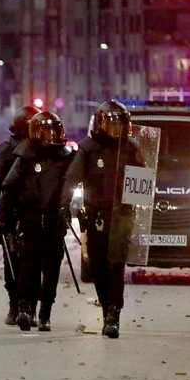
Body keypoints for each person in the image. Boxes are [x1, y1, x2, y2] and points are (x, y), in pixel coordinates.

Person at [60, 100, 144, 339]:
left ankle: (113, 314)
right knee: (98, 265)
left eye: (121, 126)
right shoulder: (88, 148)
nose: (117, 131)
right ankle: (105, 305)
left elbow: (142, 181)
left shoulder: (131, 147)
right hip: (96, 215)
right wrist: (64, 204)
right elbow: (71, 178)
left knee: (115, 265)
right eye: (112, 125)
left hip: (122, 215)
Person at [0, 111, 75, 332]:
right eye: (45, 131)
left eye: (53, 130)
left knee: (51, 270)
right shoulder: (25, 156)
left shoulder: (65, 157)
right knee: (28, 267)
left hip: (54, 222)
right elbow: (9, 187)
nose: (50, 136)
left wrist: (67, 209)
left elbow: (74, 185)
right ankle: (23, 309)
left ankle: (45, 313)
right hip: (29, 221)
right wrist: (4, 218)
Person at [0, 105, 40, 325]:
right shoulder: (7, 152)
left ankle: (30, 307)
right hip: (12, 216)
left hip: (36, 215)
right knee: (13, 263)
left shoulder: (43, 150)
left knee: (34, 264)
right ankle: (16, 305)